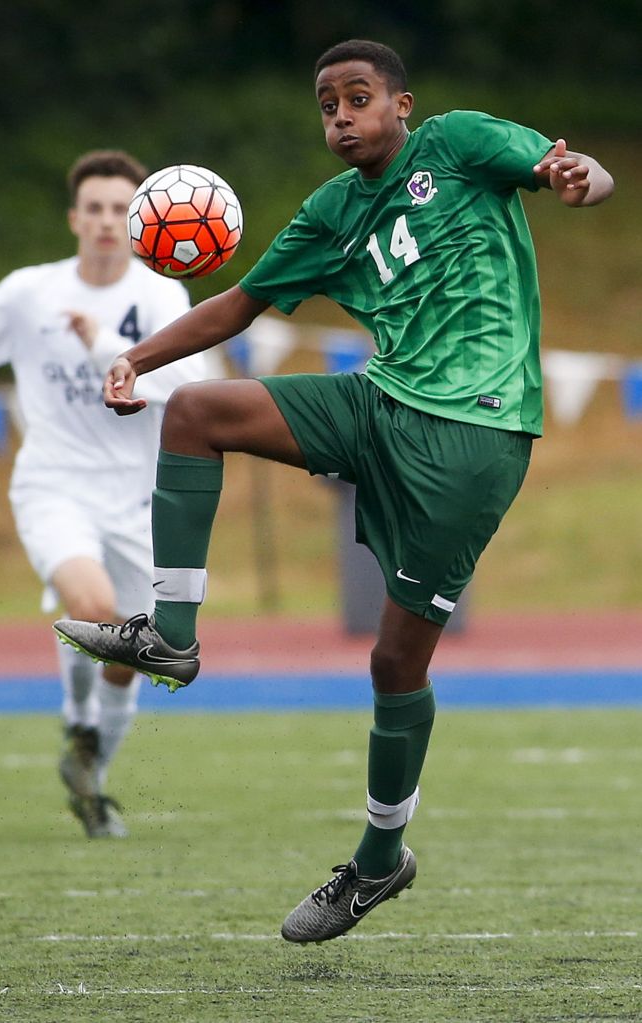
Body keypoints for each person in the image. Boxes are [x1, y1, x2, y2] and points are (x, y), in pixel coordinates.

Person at [54, 41, 614, 936]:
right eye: (327, 106)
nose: (342, 116)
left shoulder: (461, 144)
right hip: (379, 404)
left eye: (359, 98)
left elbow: (567, 167)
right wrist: (134, 357)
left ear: (403, 104)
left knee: (395, 664)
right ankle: (172, 633)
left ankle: (380, 860)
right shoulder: (330, 215)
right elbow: (238, 303)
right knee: (195, 413)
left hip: (476, 437)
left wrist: (582, 176)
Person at [0, 149, 223, 838]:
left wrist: (108, 346)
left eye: (121, 209)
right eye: (97, 208)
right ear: (76, 217)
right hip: (55, 484)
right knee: (95, 610)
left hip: (141, 499)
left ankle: (92, 775)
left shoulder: (162, 296)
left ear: (139, 219)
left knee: (137, 651)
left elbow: (196, 393)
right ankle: (78, 725)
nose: (108, 221)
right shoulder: (30, 292)